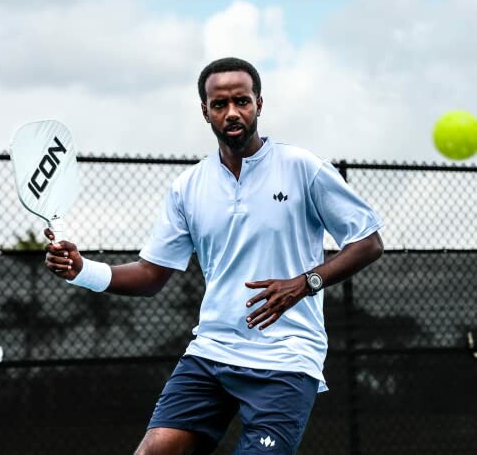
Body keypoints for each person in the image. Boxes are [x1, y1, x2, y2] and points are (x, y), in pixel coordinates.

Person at [45, 57, 384, 454]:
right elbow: (152, 274)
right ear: (205, 111)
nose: (232, 112)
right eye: (220, 104)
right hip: (211, 353)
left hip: (286, 357)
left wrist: (304, 283)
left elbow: (368, 241)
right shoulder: (187, 187)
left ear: (259, 103)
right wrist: (83, 269)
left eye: (242, 101)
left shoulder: (302, 168)